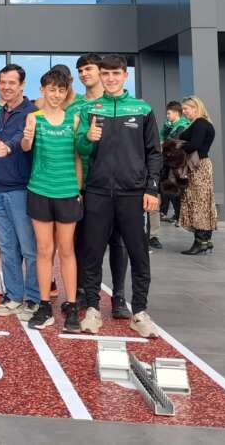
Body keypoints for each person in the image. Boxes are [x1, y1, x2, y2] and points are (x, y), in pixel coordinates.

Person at [75, 54, 163, 338]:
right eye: (106, 74)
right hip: (98, 191)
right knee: (92, 252)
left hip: (133, 193)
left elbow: (154, 153)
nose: (111, 79)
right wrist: (87, 138)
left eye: (116, 74)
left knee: (138, 253)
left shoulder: (142, 109)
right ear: (101, 77)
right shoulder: (91, 108)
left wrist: (151, 188)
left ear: (125, 76)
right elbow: (80, 148)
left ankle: (139, 311)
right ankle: (91, 309)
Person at [65, 53, 130, 319]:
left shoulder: (128, 105)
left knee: (119, 242)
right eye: (80, 70)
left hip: (122, 186)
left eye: (89, 68)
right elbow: (74, 149)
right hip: (88, 185)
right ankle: (83, 292)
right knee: (86, 242)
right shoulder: (77, 108)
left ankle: (119, 297)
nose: (84, 74)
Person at [20, 68, 83, 332]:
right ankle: (44, 305)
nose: (56, 94)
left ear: (66, 92)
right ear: (43, 90)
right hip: (40, 190)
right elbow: (25, 149)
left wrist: (78, 189)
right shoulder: (34, 118)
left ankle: (70, 305)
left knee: (67, 250)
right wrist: (26, 138)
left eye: (61, 89)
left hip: (67, 192)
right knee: (44, 251)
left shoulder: (75, 120)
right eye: (51, 89)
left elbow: (79, 158)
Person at [0, 63, 40, 320]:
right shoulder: (1, 112)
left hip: (20, 189)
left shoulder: (32, 112)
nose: (5, 87)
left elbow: (22, 136)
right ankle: (14, 296)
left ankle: (33, 298)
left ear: (21, 85)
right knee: (6, 246)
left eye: (11, 83)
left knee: (28, 248)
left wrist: (9, 146)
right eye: (1, 82)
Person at [177, 96, 217, 255]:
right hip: (202, 164)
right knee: (204, 201)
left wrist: (177, 145)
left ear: (195, 108)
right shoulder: (205, 123)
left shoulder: (200, 123)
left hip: (197, 166)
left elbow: (194, 145)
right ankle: (205, 241)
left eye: (186, 109)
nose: (184, 112)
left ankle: (200, 242)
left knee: (198, 201)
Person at [159, 101, 190, 225]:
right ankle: (177, 216)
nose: (167, 116)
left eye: (169, 113)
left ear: (177, 113)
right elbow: (162, 138)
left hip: (177, 164)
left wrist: (164, 144)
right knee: (170, 190)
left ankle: (179, 217)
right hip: (169, 163)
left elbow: (176, 144)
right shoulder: (171, 126)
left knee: (176, 191)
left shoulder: (182, 126)